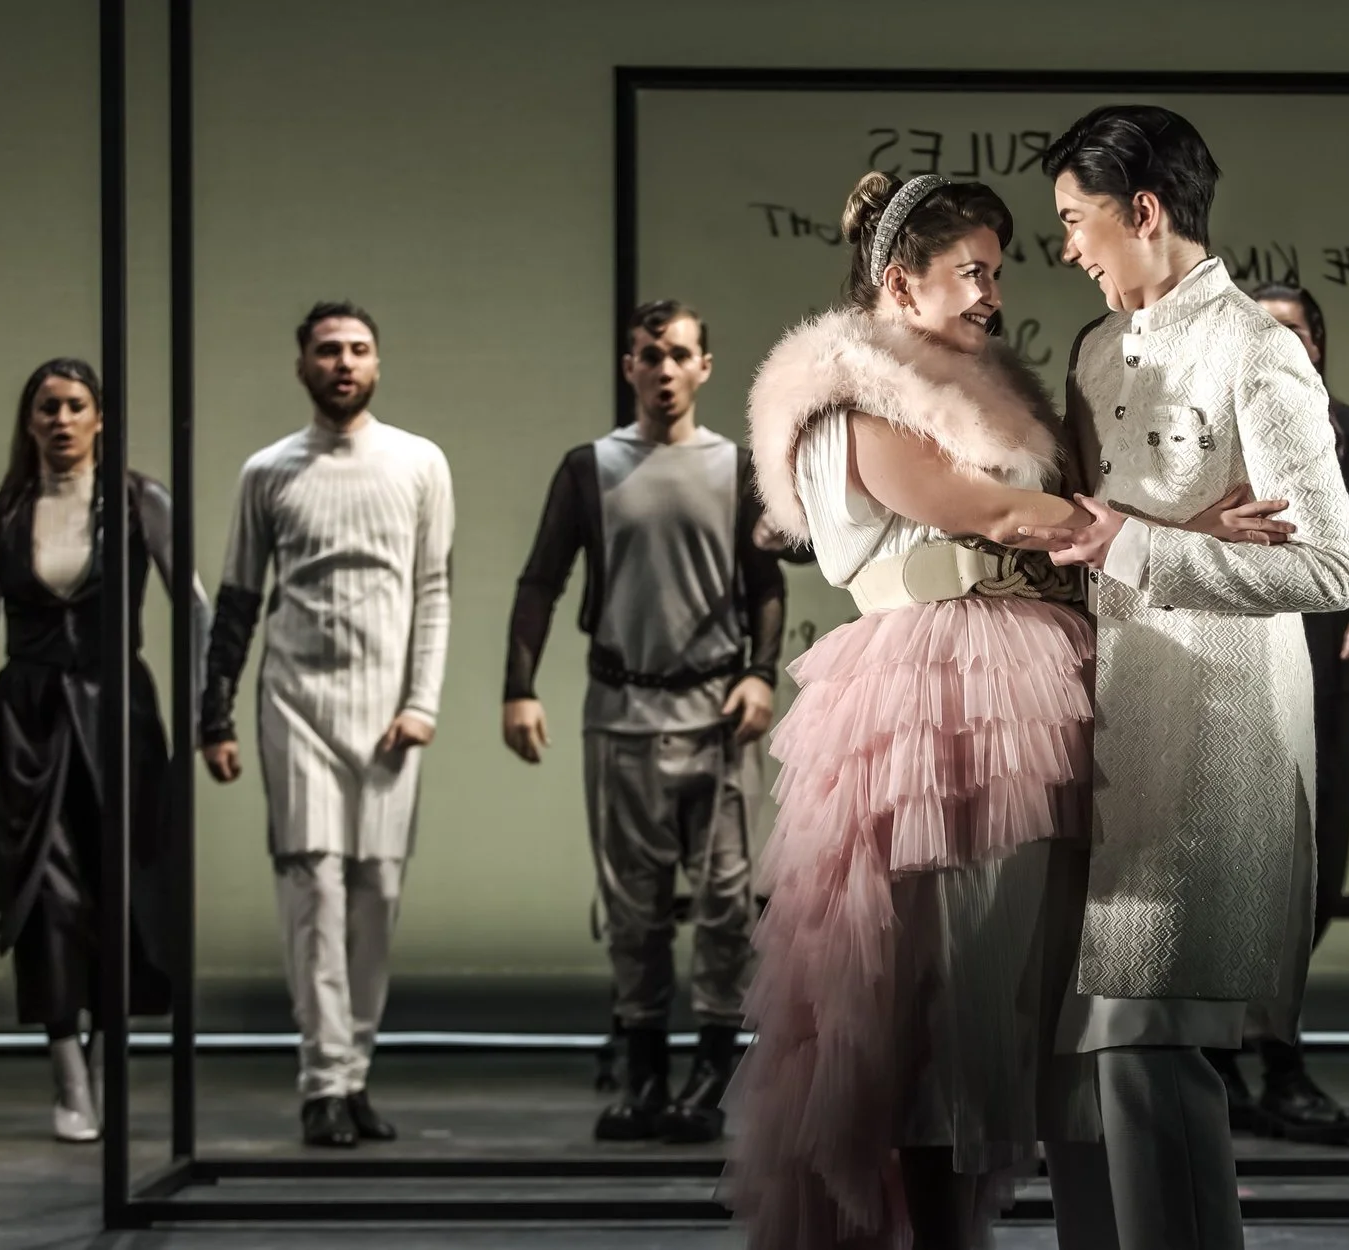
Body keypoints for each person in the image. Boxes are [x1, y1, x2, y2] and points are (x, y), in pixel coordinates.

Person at [723, 170, 1112, 1250]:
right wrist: (1151, 528)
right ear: (901, 282)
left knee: (1004, 974)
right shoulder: (849, 401)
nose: (993, 293)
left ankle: (972, 1215)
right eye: (971, 272)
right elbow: (981, 507)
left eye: (996, 272)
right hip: (935, 685)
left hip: (1016, 675)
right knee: (940, 982)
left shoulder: (976, 392)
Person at [1024, 104, 1349, 1250]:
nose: (1064, 246)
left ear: (1143, 211)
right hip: (1095, 749)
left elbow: (1329, 566)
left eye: (1074, 219)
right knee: (1082, 1075)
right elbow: (1089, 536)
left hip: (1209, 750)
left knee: (1149, 1048)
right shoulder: (1090, 349)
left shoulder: (1258, 351)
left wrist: (1142, 544)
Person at [503, 299, 788, 1145]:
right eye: (649, 355)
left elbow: (765, 586)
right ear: (628, 365)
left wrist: (760, 673)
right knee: (635, 907)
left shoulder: (736, 468)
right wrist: (519, 687)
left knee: (729, 902)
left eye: (679, 355)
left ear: (705, 366)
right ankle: (644, 1071)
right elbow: (540, 580)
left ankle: (712, 1069)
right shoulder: (590, 469)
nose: (664, 369)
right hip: (624, 711)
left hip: (717, 714)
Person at [200, 303, 456, 1149]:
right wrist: (214, 716)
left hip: (388, 713)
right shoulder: (268, 472)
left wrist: (422, 702)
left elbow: (433, 589)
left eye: (357, 349)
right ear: (302, 365)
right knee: (313, 889)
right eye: (327, 350)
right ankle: (323, 1083)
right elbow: (238, 597)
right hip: (295, 703)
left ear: (377, 363)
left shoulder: (419, 462)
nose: (343, 362)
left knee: (376, 893)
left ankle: (356, 1075)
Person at [0, 358, 204, 1143]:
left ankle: (106, 1055)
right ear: (29, 421)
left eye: (75, 406)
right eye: (47, 407)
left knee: (120, 888)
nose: (60, 420)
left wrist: (203, 712)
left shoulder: (140, 501)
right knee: (45, 897)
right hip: (28, 721)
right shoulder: (0, 511)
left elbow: (192, 605)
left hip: (118, 714)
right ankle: (67, 1072)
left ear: (100, 419)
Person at [1189, 281, 1349, 1145]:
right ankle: (1234, 1062)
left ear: (1317, 344)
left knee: (1316, 876)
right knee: (1228, 873)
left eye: (1290, 330)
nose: (1274, 341)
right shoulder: (1208, 430)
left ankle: (1273, 1052)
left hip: (1323, 679)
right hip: (1229, 677)